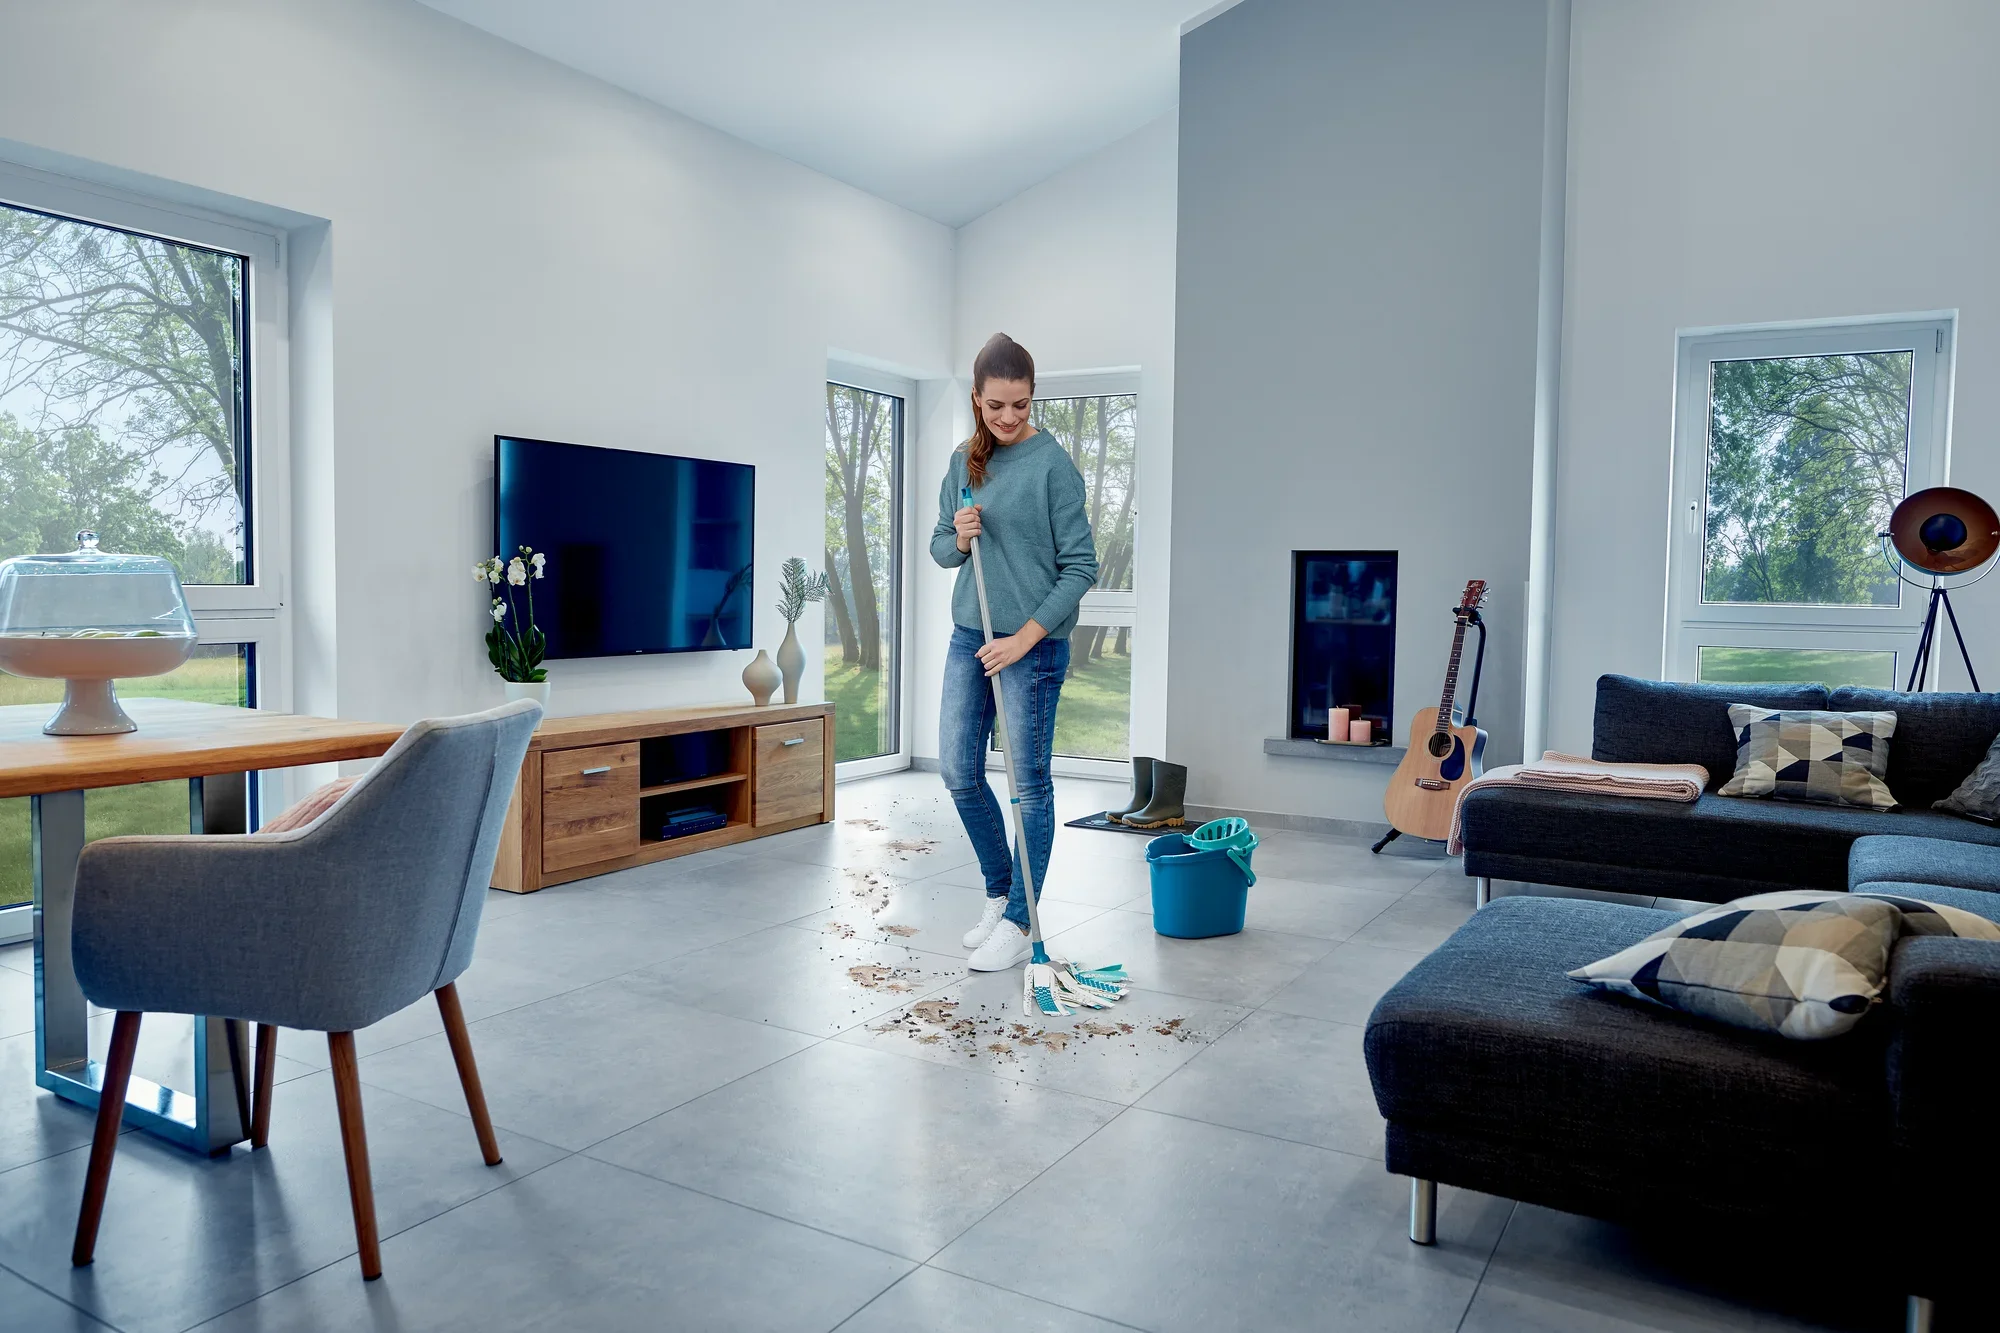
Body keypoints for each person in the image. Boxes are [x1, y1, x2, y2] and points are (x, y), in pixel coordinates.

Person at [931, 332, 1100, 972]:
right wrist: (961, 537)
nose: (1008, 418)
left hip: (1031, 647)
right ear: (977, 399)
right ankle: (1000, 892)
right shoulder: (961, 463)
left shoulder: (1054, 467)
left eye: (1021, 406)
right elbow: (941, 550)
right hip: (970, 638)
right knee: (959, 772)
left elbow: (1081, 568)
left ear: (1033, 399)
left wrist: (1024, 638)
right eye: (996, 405)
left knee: (1028, 788)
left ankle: (1020, 918)